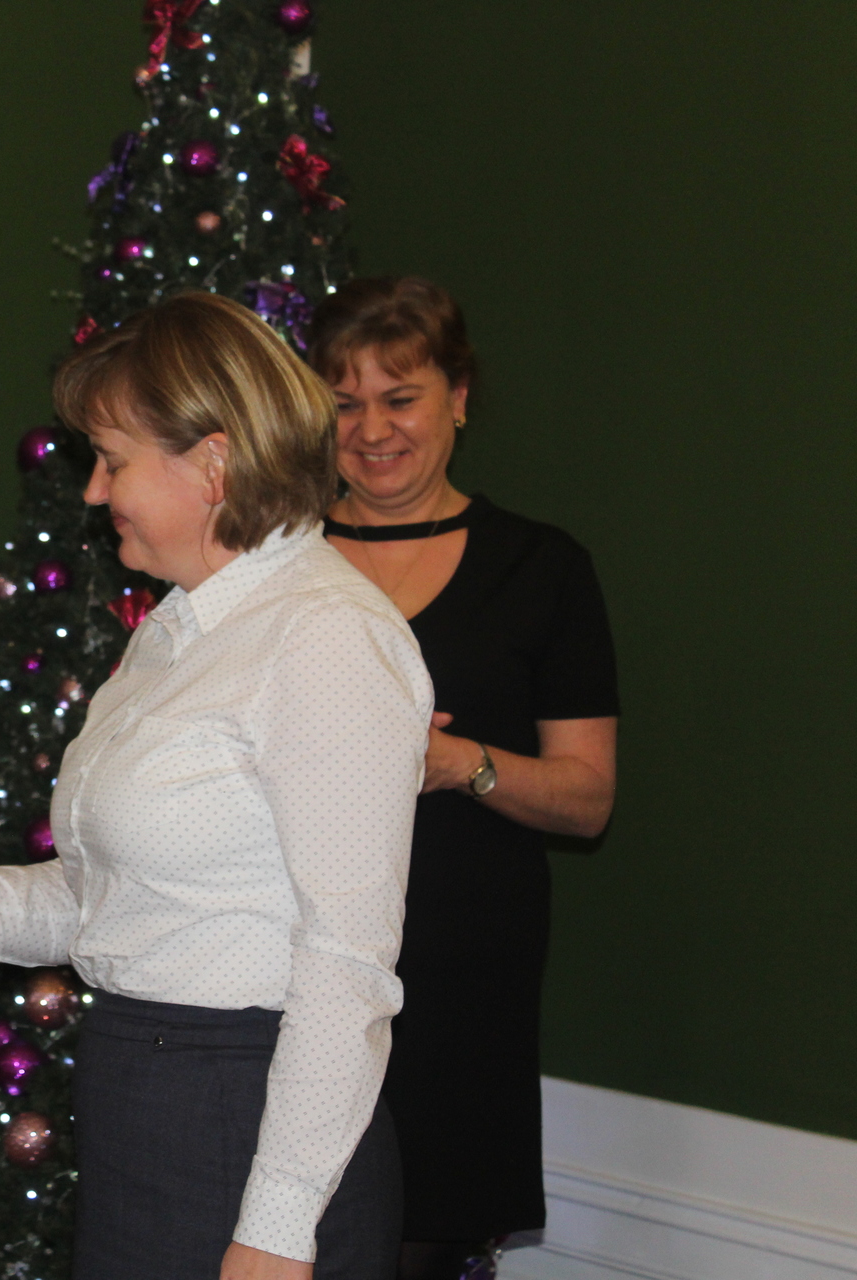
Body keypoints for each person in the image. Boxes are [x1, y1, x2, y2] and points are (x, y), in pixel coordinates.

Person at [0, 293, 433, 1280]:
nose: (96, 492)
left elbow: (347, 961)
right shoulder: (175, 632)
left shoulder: (324, 636)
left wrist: (277, 1228)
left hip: (248, 1119)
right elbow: (107, 902)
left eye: (112, 459)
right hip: (146, 1107)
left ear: (214, 463)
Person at [307, 277, 620, 1280]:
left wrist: (460, 763)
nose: (372, 431)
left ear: (460, 398)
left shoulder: (543, 568)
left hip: (462, 973)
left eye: (400, 398)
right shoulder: (278, 561)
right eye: (345, 403)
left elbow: (588, 797)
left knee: (423, 1241)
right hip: (291, 959)